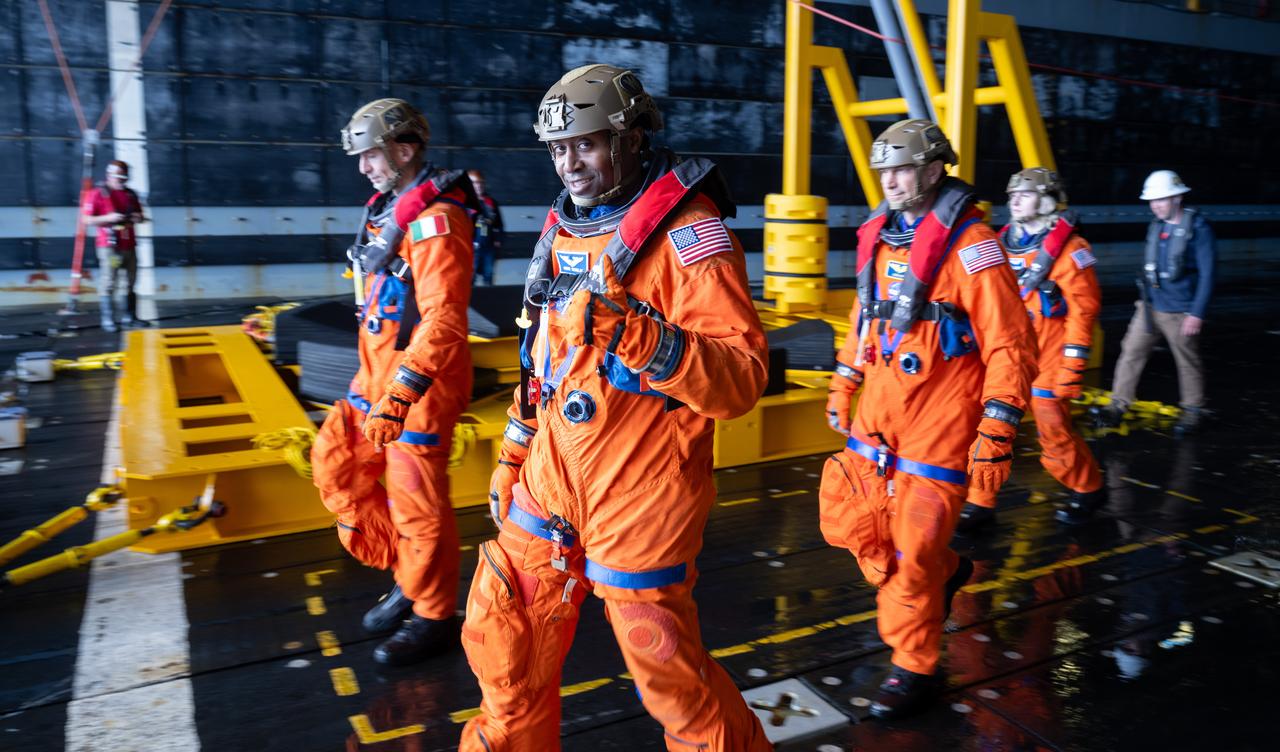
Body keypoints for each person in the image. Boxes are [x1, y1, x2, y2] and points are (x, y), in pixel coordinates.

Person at [457, 64, 772, 752]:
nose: (570, 164)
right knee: (505, 637)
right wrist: (513, 454)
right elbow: (541, 365)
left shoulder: (690, 235)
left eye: (587, 145)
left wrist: (638, 333)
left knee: (666, 673)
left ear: (630, 137)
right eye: (559, 150)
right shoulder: (561, 234)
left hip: (643, 485)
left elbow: (742, 379)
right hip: (551, 472)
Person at [821, 119, 1035, 718]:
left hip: (940, 425)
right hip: (879, 414)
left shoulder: (973, 248)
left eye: (904, 168)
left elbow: (1011, 346)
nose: (891, 180)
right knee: (852, 524)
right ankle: (948, 570)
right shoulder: (881, 240)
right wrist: (845, 379)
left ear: (936, 168)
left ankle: (913, 670)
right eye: (884, 170)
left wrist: (996, 430)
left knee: (909, 554)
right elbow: (865, 321)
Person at [310, 98, 478, 666]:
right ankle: (410, 572)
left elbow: (445, 321)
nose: (363, 168)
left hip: (416, 389)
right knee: (336, 461)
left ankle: (433, 616)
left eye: (372, 155)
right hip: (374, 376)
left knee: (416, 504)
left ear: (404, 151)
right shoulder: (387, 210)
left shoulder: (436, 222)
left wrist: (402, 395)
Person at [956, 168, 1105, 531]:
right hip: (1007, 356)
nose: (1015, 200)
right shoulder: (997, 244)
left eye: (1024, 193)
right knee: (986, 425)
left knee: (1053, 428)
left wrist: (1072, 368)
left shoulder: (1072, 250)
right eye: (1012, 195)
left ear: (1048, 200)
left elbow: (1083, 312)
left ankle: (1087, 487)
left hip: (1049, 359)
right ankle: (979, 503)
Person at [1096, 170, 1215, 438]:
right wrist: (1144, 302)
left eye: (1161, 199)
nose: (1155, 205)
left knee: (1187, 361)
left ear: (1177, 197)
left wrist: (1196, 313)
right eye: (1152, 200)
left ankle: (1193, 411)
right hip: (1150, 307)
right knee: (1130, 352)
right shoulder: (1157, 225)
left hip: (1180, 311)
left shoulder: (1198, 228)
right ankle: (1118, 405)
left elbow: (1209, 275)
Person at [82, 160, 146, 331]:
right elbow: (86, 219)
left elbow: (141, 216)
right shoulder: (97, 194)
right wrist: (108, 218)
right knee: (110, 281)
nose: (121, 181)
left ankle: (130, 317)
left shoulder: (131, 194)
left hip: (129, 245)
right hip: (111, 248)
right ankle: (108, 319)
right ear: (109, 175)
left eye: (124, 178)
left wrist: (136, 218)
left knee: (131, 281)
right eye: (118, 177)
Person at [468, 169, 504, 285]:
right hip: (472, 246)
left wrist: (498, 240)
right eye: (475, 183)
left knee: (488, 276)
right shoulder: (466, 202)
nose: (478, 186)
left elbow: (499, 224)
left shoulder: (491, 202)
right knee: (470, 277)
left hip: (488, 246)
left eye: (480, 183)